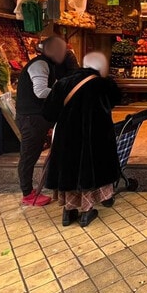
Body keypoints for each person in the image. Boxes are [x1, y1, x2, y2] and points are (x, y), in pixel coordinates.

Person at [43, 52, 122, 228]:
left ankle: (68, 212)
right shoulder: (103, 84)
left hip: (66, 138)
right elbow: (116, 99)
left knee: (69, 170)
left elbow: (48, 113)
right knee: (90, 171)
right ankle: (87, 211)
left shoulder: (62, 83)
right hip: (95, 138)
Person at [16, 36, 68, 206]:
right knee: (28, 155)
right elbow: (40, 91)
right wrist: (63, 94)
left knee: (33, 153)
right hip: (31, 118)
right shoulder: (40, 64)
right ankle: (27, 194)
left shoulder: (48, 64)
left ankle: (35, 189)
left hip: (37, 117)